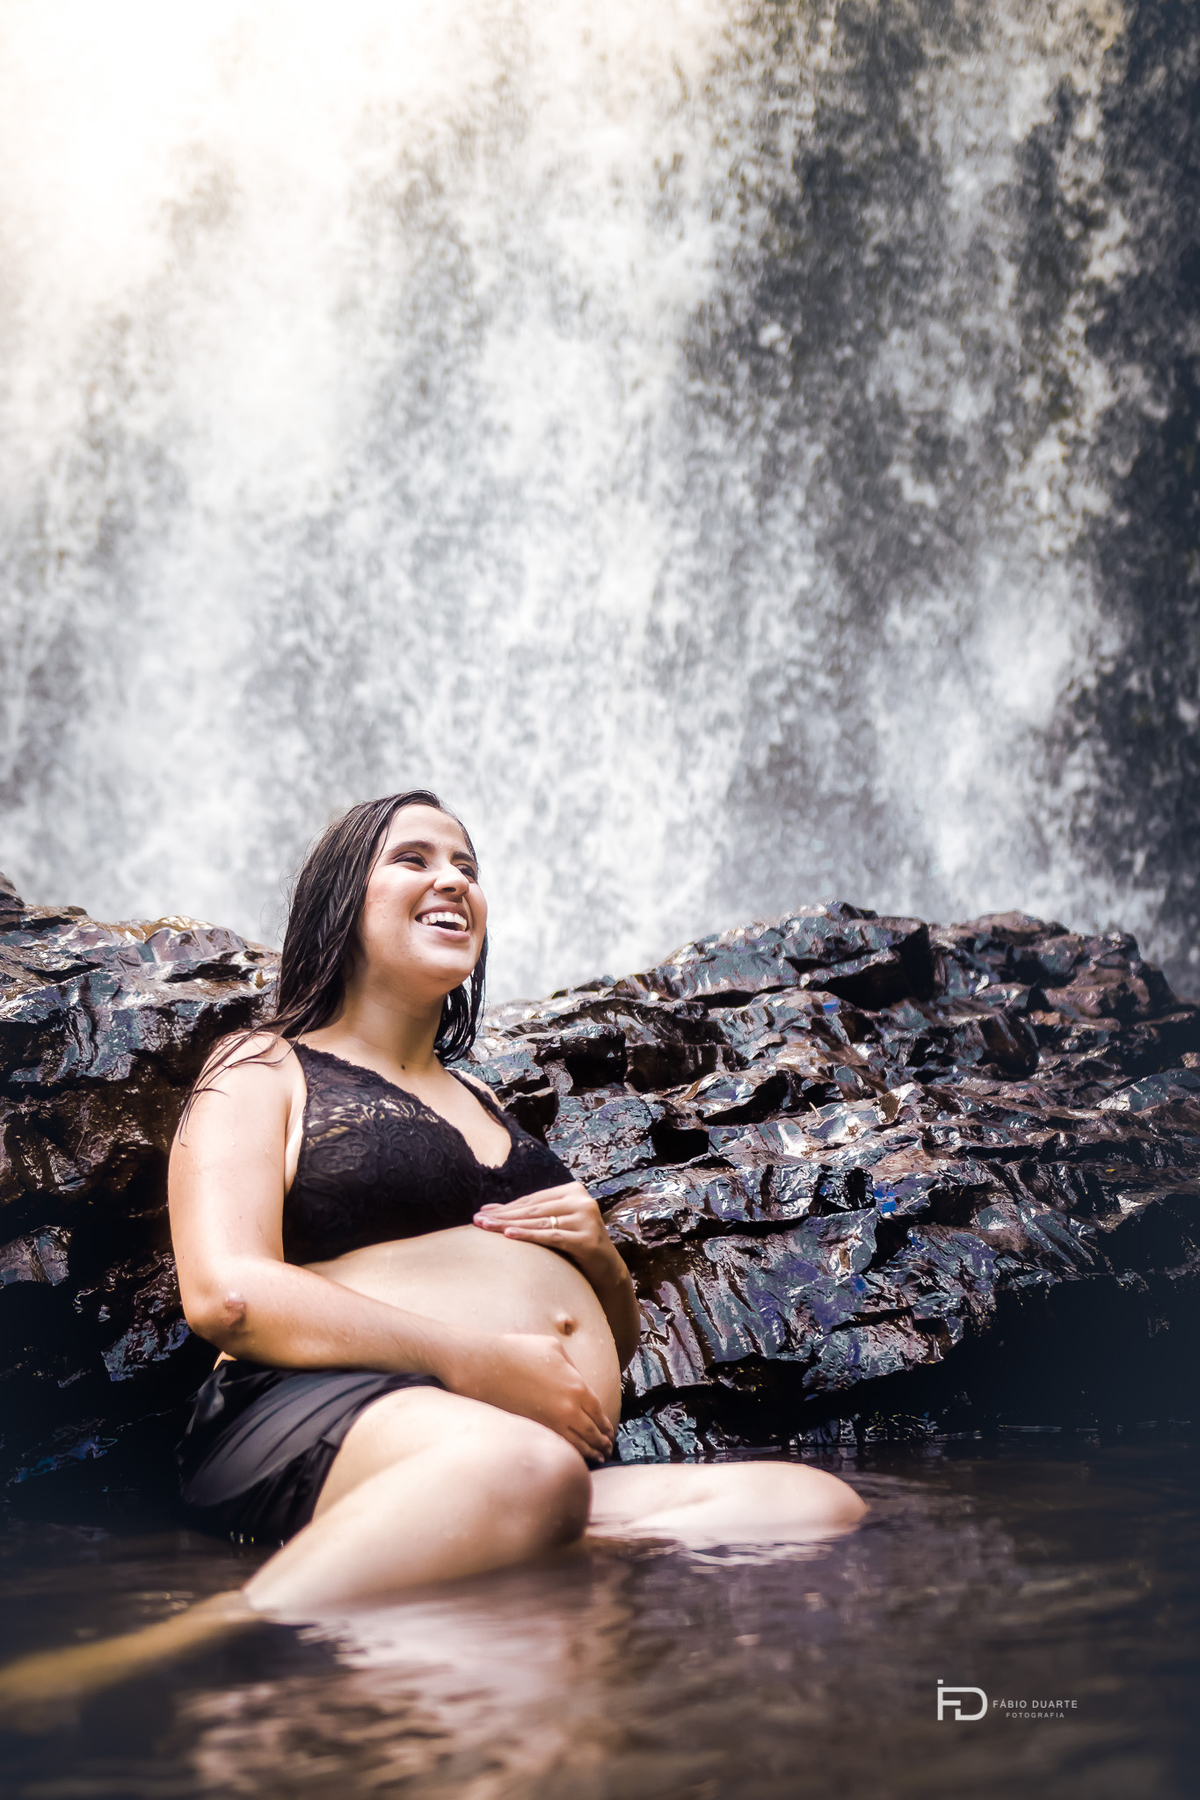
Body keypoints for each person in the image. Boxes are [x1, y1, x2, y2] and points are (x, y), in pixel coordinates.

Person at [0, 788, 865, 1714]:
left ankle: (459, 1543)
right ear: (341, 901)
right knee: (526, 1470)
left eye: (467, 867)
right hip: (309, 1412)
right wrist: (472, 1359)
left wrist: (602, 1261)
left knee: (804, 1507)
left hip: (514, 1453)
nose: (452, 879)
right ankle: (200, 1637)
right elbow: (226, 1294)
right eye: (413, 859)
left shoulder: (487, 1104)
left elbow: (607, 1344)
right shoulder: (263, 1066)